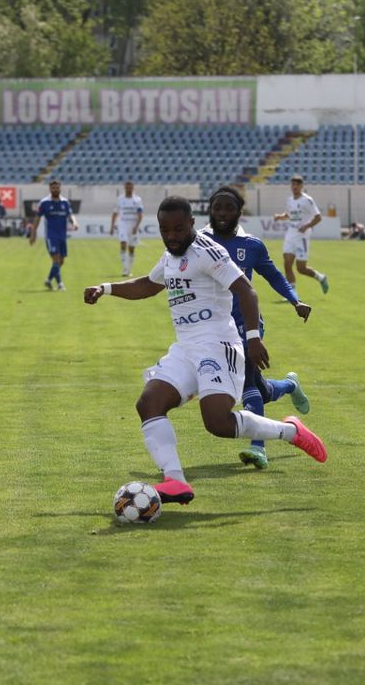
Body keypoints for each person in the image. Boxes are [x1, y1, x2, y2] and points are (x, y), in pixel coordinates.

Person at [83, 196, 327, 506]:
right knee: (149, 403)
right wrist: (105, 289)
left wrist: (253, 337)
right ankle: (175, 481)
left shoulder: (207, 251)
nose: (171, 236)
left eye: (178, 229)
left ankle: (291, 431)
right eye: (164, 229)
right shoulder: (171, 256)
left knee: (217, 423)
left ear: (191, 225)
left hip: (218, 345)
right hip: (185, 348)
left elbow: (246, 290)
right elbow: (148, 284)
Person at [203, 185, 313, 470]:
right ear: (210, 210)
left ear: (240, 212)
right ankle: (290, 385)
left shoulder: (251, 245)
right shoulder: (198, 242)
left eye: (229, 208)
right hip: (211, 328)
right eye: (218, 208)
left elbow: (274, 276)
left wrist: (295, 300)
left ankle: (258, 447)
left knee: (248, 382)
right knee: (261, 392)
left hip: (246, 325)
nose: (223, 213)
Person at [273, 175, 329, 294]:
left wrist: (307, 226)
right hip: (290, 233)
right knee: (287, 264)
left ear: (301, 186)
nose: (295, 187)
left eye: (297, 185)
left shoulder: (307, 200)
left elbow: (318, 217)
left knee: (301, 268)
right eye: (293, 184)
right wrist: (280, 217)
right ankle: (292, 294)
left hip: (302, 236)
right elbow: (289, 214)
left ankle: (321, 278)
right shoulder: (289, 200)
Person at [29, 178, 77, 291]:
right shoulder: (44, 202)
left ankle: (49, 280)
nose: (55, 189)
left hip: (62, 235)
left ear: (60, 188)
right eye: (53, 188)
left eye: (57, 187)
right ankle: (60, 284)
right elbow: (37, 218)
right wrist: (33, 233)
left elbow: (70, 215)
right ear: (50, 189)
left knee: (61, 261)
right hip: (51, 236)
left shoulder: (65, 202)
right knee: (55, 259)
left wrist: (74, 222)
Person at [109, 180, 144, 277]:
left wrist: (136, 226)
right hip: (123, 224)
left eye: (130, 187)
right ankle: (124, 269)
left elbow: (140, 214)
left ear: (133, 188)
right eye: (127, 187)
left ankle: (129, 269)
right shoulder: (120, 199)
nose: (128, 189)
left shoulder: (137, 200)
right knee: (123, 243)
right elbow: (115, 213)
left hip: (133, 224)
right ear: (124, 187)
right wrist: (112, 226)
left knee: (131, 248)